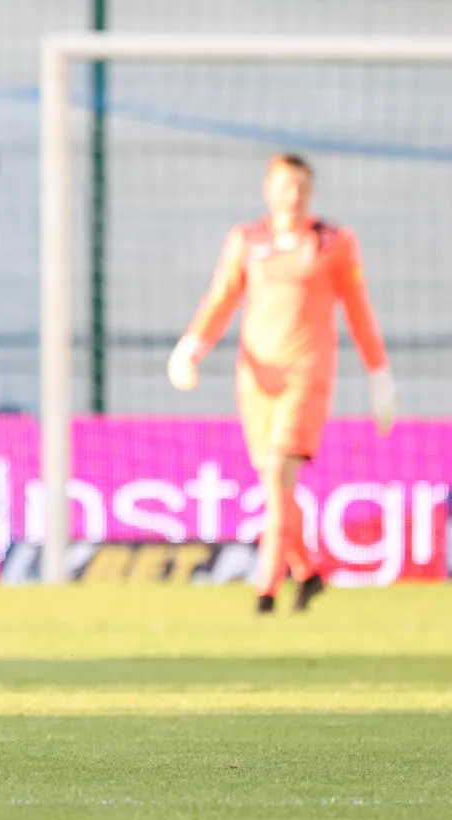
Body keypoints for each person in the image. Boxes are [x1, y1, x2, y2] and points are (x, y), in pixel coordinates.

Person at [167, 154, 395, 614]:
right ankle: (307, 571)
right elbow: (222, 299)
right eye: (287, 184)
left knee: (277, 473)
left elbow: (358, 310)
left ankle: (266, 589)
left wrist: (379, 372)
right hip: (256, 377)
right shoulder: (246, 240)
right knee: (275, 484)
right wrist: (191, 346)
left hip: (306, 374)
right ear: (268, 189)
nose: (296, 193)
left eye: (303, 185)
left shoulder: (333, 242)